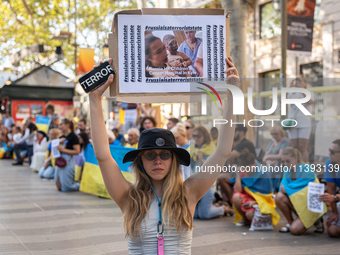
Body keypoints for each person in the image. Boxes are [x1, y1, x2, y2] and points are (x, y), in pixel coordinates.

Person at [88, 56, 239, 253]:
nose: (158, 160)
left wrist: (233, 93)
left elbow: (222, 152)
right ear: (140, 160)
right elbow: (103, 156)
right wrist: (94, 98)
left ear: (174, 159)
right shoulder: (128, 197)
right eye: (150, 155)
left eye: (165, 155)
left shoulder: (189, 193)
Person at [275, 147, 325, 235]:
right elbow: (282, 188)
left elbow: (300, 189)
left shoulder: (307, 169)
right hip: (297, 202)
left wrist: (287, 189)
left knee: (295, 230)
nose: (285, 164)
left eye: (287, 161)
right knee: (279, 196)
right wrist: (288, 189)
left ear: (296, 158)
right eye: (283, 162)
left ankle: (316, 220)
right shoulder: (287, 169)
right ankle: (290, 222)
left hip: (309, 205)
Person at [189, 126, 233, 219]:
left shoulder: (211, 148)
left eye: (198, 136)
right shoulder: (192, 148)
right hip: (193, 183)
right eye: (194, 135)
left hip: (206, 184)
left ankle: (224, 209)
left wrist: (202, 160)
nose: (196, 138)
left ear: (204, 136)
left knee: (204, 215)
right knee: (194, 214)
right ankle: (215, 206)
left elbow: (214, 168)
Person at [232, 148, 279, 227]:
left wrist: (254, 202)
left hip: (261, 202)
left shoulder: (263, 174)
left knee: (250, 214)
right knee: (236, 197)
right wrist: (238, 174)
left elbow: (269, 196)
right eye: (245, 169)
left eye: (249, 168)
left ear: (254, 163)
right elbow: (238, 190)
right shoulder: (243, 172)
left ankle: (251, 219)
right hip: (248, 199)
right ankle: (245, 219)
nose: (247, 171)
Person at [287, 76, 314, 162]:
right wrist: (289, 89)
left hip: (304, 123)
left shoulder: (309, 92)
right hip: (292, 122)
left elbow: (309, 102)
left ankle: (305, 166)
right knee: (294, 146)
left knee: (302, 147)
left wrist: (301, 90)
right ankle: (296, 165)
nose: (298, 82)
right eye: (297, 81)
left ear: (305, 83)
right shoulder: (292, 93)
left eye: (300, 81)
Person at [319, 139, 340, 237]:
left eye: (332, 152)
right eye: (329, 150)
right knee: (332, 230)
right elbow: (331, 189)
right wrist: (335, 212)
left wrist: (335, 198)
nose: (329, 154)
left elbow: (334, 196)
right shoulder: (330, 163)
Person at [55, 118, 80, 192]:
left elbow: (77, 151)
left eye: (61, 124)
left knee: (66, 187)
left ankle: (82, 185)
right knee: (59, 186)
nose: (60, 127)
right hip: (60, 160)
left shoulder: (73, 136)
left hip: (68, 160)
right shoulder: (61, 137)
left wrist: (62, 150)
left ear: (67, 125)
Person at [262, 125, 291, 191]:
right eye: (272, 134)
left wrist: (268, 157)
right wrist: (268, 162)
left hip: (280, 165)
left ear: (281, 133)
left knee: (272, 171)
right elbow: (265, 156)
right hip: (270, 165)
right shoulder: (272, 142)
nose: (274, 136)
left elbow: (280, 156)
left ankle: (274, 190)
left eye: (276, 134)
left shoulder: (285, 142)